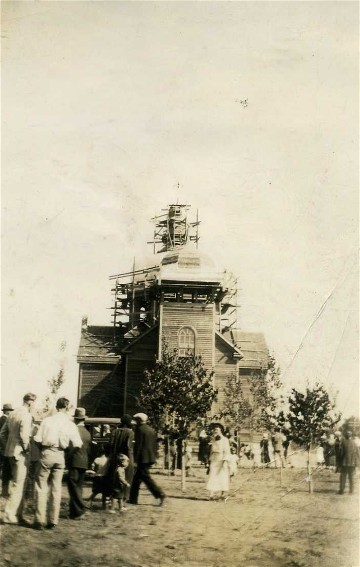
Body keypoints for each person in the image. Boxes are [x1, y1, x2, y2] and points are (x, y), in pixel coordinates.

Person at [33, 397, 82, 530]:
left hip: (47, 452)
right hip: (60, 455)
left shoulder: (47, 421)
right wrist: (67, 454)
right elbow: (78, 444)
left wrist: (42, 451)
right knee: (56, 488)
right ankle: (53, 520)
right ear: (67, 408)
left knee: (41, 486)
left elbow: (37, 439)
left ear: (56, 406)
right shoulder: (70, 423)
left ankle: (39, 520)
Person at [0, 393, 37, 525]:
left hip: (10, 453)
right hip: (20, 454)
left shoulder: (13, 413)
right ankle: (9, 515)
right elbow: (24, 436)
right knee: (18, 484)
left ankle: (18, 514)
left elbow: (2, 434)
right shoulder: (26, 415)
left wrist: (8, 447)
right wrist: (26, 450)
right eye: (34, 403)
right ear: (30, 402)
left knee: (19, 483)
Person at [129, 413, 166, 506]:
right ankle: (133, 499)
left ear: (139, 420)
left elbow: (139, 446)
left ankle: (160, 494)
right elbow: (154, 444)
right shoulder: (151, 430)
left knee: (146, 478)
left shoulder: (139, 430)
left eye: (136, 420)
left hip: (142, 458)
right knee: (136, 479)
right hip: (149, 457)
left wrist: (135, 460)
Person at [66, 407, 92, 520]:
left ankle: (81, 509)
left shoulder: (73, 430)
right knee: (78, 486)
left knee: (73, 486)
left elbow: (71, 448)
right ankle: (74, 513)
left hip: (74, 461)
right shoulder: (87, 432)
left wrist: (67, 459)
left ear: (75, 419)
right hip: (84, 461)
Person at [108, 414, 134, 502]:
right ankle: (124, 497)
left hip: (115, 457)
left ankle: (113, 496)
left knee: (115, 477)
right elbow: (128, 446)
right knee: (126, 477)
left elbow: (110, 444)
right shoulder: (130, 432)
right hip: (126, 457)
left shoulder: (115, 431)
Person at [206, 424, 231, 500]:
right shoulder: (213, 439)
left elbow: (227, 451)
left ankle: (223, 494)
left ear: (221, 431)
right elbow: (211, 451)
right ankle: (211, 494)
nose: (215, 431)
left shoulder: (225, 440)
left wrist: (225, 461)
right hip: (214, 459)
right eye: (214, 430)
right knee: (212, 476)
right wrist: (208, 461)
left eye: (217, 430)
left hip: (221, 459)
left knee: (222, 476)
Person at [88, 444, 111, 509]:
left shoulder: (96, 459)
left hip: (97, 476)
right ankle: (104, 506)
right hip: (105, 477)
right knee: (104, 493)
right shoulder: (108, 460)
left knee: (95, 491)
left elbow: (92, 467)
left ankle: (89, 502)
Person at [0, 403, 14, 498]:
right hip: (4, 448)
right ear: (7, 411)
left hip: (1, 447)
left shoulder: (1, 419)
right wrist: (6, 446)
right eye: (10, 411)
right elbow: (3, 435)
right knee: (6, 470)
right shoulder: (6, 420)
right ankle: (5, 492)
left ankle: (4, 491)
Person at [338, 431, 359, 495]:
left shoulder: (343, 442)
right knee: (351, 477)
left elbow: (340, 453)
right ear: (351, 436)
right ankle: (351, 491)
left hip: (344, 463)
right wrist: (356, 463)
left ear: (345, 436)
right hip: (352, 463)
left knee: (343, 477)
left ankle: (342, 490)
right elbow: (358, 454)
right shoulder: (354, 443)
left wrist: (339, 461)